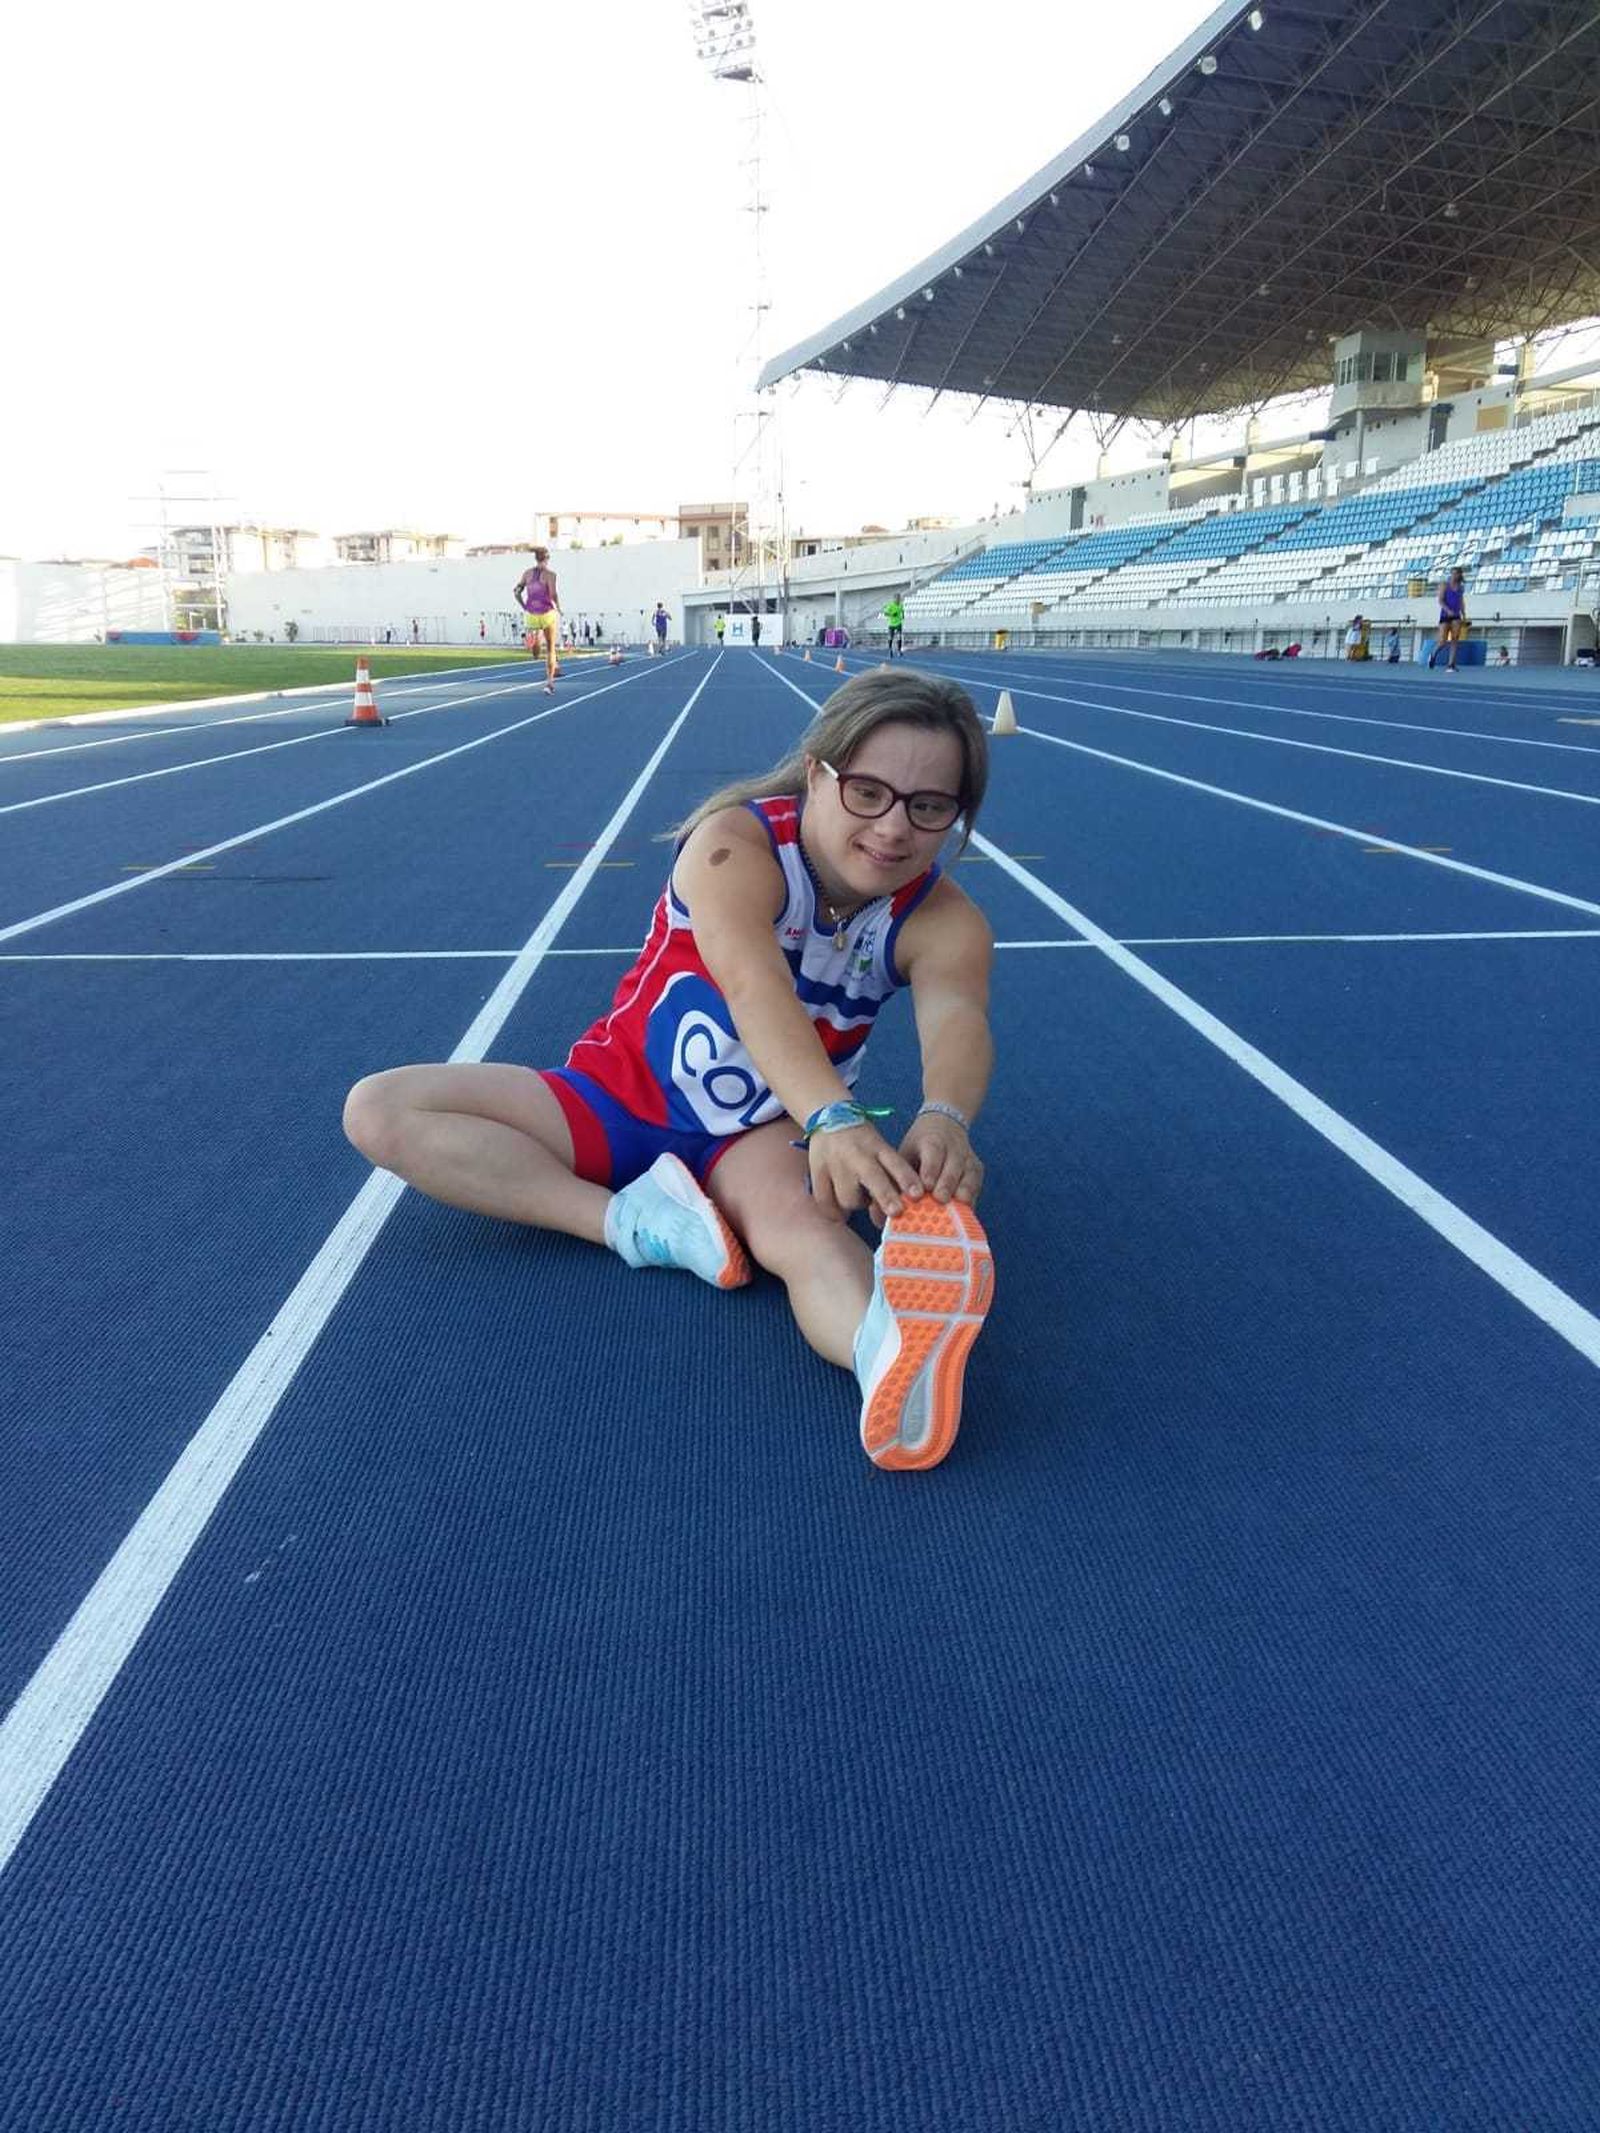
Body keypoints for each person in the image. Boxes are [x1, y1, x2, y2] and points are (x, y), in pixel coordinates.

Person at [342, 667, 997, 1473]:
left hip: (760, 1133)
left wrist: (945, 1115)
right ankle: (635, 1223)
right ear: (818, 772)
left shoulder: (945, 920)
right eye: (868, 790)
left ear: (955, 817)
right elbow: (753, 986)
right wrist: (833, 1118)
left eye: (929, 806)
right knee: (378, 1110)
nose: (894, 827)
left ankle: (891, 1358)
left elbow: (959, 1019)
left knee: (807, 1238)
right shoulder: (734, 843)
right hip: (616, 1095)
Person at [513, 547, 561, 693]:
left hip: (531, 613)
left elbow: (516, 591)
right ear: (546, 559)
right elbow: (553, 594)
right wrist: (558, 607)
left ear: (536, 558)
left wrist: (523, 605)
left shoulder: (527, 574)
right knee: (551, 648)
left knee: (536, 648)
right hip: (546, 613)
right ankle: (550, 683)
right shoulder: (551, 575)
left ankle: (535, 642)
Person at [1436, 567, 1468, 671]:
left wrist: (1464, 615)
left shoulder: (1460, 588)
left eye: (1456, 574)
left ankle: (1451, 664)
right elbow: (1440, 600)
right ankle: (1433, 654)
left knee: (1455, 639)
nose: (1454, 576)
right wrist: (1448, 610)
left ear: (1459, 575)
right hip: (1445, 615)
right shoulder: (1444, 585)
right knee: (1442, 641)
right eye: (1452, 573)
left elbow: (1461, 601)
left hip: (1456, 615)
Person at [883, 594, 905, 658]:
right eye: (897, 598)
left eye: (899, 598)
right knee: (890, 638)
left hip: (898, 623)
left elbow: (902, 610)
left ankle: (899, 651)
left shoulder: (901, 605)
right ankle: (890, 650)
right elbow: (885, 613)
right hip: (891, 624)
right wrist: (892, 614)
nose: (898, 599)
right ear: (894, 599)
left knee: (899, 637)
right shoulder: (890, 605)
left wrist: (903, 615)